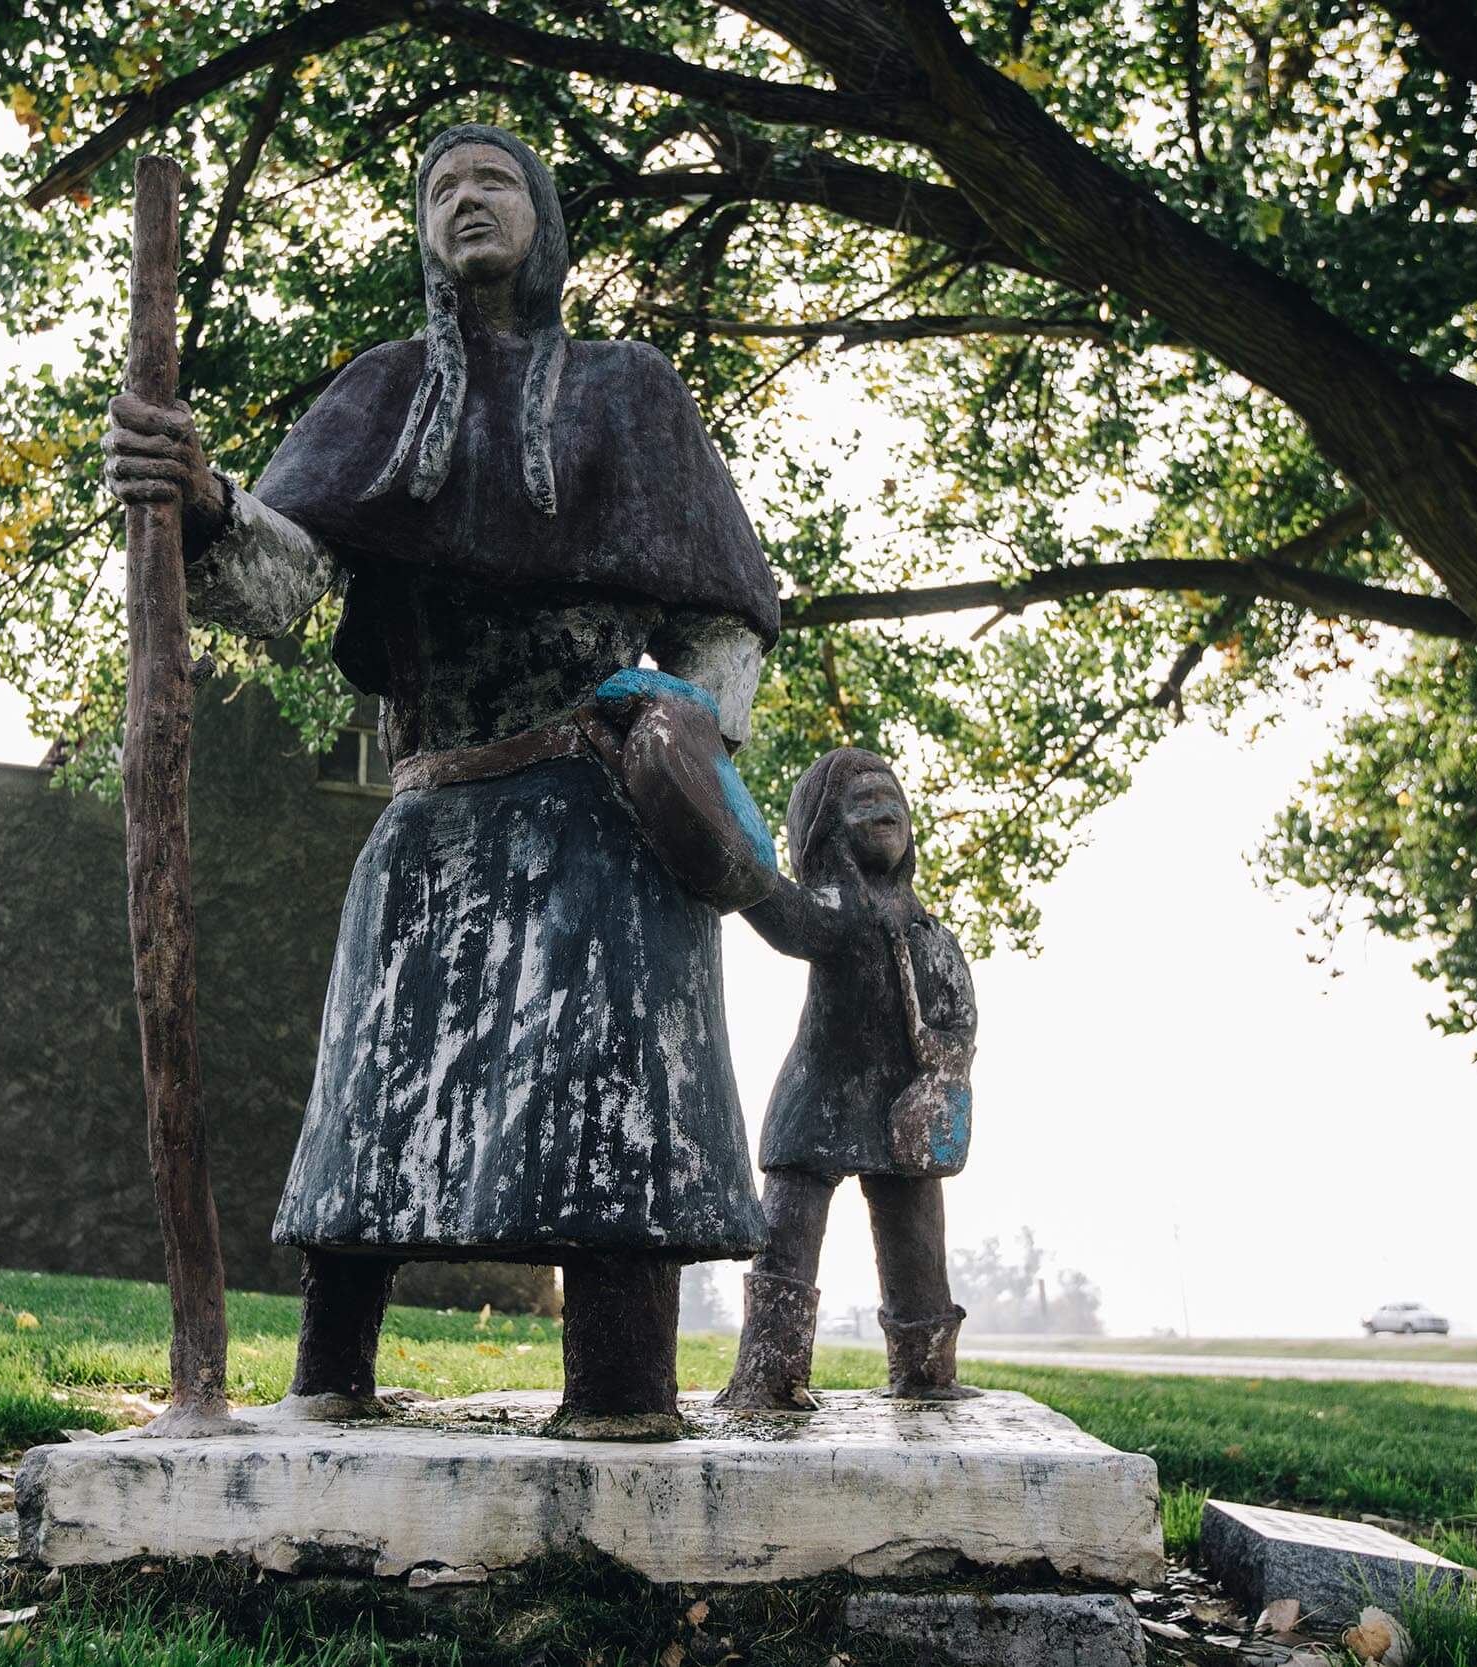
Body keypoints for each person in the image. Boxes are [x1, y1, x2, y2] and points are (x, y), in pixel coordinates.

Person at [102, 124, 776, 1440]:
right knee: (374, 1099)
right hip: (430, 808)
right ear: (420, 226)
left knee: (604, 1102)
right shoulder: (379, 391)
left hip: (599, 807)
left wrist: (693, 736)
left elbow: (726, 616)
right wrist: (202, 498)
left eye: (495, 182)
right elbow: (284, 586)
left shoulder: (631, 389)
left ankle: (622, 1393)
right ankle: (330, 1371)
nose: (468, 201)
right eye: (442, 188)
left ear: (544, 216)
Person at [714, 748, 982, 1410]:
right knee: (787, 1241)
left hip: (904, 1113)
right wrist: (737, 863)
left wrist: (948, 1057)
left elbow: (957, 1008)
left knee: (918, 1245)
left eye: (892, 802)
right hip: (816, 1106)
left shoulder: (926, 929)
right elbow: (783, 912)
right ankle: (769, 1374)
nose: (884, 813)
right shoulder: (835, 908)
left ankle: (926, 1373)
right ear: (828, 829)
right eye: (863, 803)